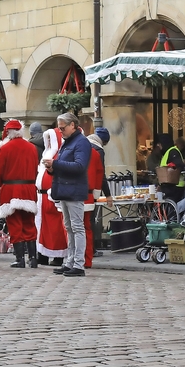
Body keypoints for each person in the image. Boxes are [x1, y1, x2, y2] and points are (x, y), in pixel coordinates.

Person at [45, 112, 92, 277]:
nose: (61, 131)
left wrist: (55, 164)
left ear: (73, 125)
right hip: (65, 189)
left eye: (63, 128)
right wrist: (52, 169)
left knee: (77, 228)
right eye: (59, 128)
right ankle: (70, 262)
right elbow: (65, 166)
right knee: (70, 228)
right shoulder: (69, 142)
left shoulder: (81, 142)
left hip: (74, 190)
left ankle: (78, 264)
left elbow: (79, 166)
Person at [0, 119, 39, 268]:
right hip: (28, 188)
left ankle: (20, 259)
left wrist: (0, 184)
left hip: (11, 189)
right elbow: (35, 169)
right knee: (29, 223)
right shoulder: (31, 147)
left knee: (15, 224)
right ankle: (33, 258)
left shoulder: (5, 148)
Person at [35, 127, 68, 266]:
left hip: (52, 196)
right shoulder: (46, 154)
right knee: (41, 228)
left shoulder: (59, 156)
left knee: (55, 229)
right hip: (41, 197)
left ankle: (57, 256)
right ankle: (42, 254)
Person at [83, 133, 107, 269]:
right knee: (86, 228)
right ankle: (86, 258)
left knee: (76, 229)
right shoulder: (95, 153)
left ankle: (78, 259)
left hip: (78, 194)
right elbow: (100, 176)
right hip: (88, 195)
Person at [91, 127, 112, 255]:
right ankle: (91, 249)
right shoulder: (98, 150)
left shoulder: (82, 143)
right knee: (90, 221)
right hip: (90, 190)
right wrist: (108, 195)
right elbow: (101, 174)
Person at [157, 134, 185, 204]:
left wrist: (168, 167)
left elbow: (178, 164)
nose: (159, 147)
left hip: (174, 186)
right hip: (169, 185)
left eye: (160, 144)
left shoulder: (173, 151)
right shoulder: (168, 152)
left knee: (171, 209)